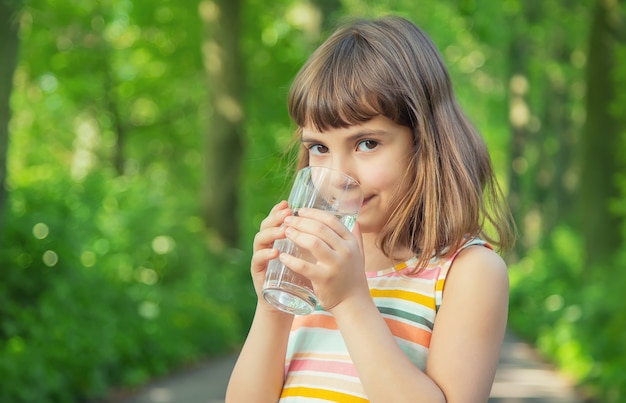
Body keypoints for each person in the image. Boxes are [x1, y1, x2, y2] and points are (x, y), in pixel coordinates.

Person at [226, 15, 515, 403]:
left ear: (424, 142)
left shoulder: (468, 273)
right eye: (319, 148)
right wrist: (272, 307)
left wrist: (350, 302)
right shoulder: (311, 267)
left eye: (366, 144)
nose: (338, 173)